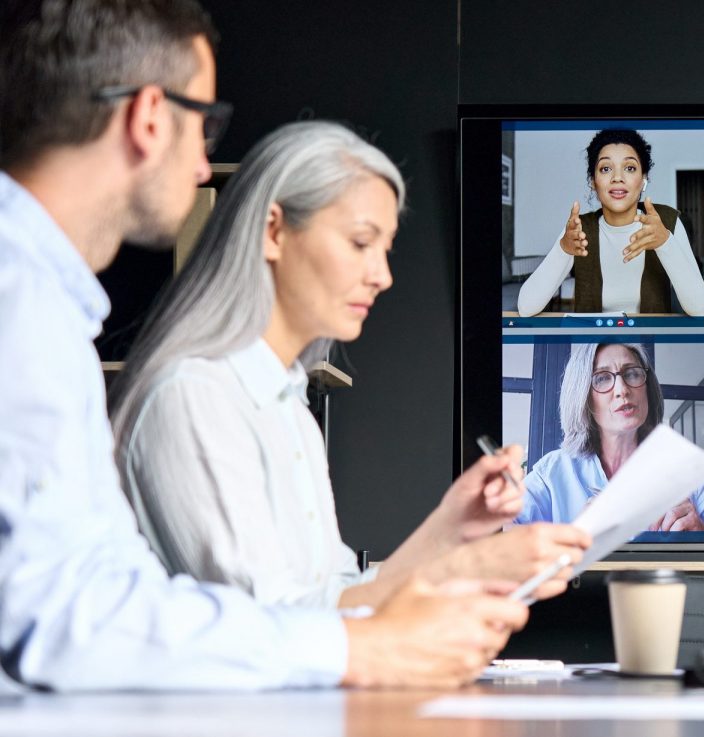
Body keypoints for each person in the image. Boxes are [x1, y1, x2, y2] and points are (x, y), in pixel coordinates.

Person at [0, 0, 524, 690]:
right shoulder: (31, 305)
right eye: (206, 126)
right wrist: (367, 644)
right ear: (149, 117)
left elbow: (110, 592)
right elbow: (66, 616)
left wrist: (447, 541)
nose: (202, 167)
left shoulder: (53, 307)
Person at [110, 121, 590, 610]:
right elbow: (272, 626)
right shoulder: (194, 396)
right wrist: (466, 568)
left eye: (386, 250)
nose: (382, 277)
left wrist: (453, 526)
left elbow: (337, 596)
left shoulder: (289, 407)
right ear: (273, 231)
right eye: (361, 243)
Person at [514, 342, 704, 531]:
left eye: (632, 373)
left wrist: (703, 530)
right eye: (602, 378)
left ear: (647, 388)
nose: (622, 389)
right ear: (583, 396)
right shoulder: (553, 471)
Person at [517, 129, 704, 316]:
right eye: (606, 168)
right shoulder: (579, 229)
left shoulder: (667, 222)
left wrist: (665, 243)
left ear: (644, 178)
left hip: (653, 347)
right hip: (593, 347)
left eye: (630, 168)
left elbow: (700, 309)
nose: (617, 177)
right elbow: (526, 308)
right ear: (593, 181)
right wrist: (563, 250)